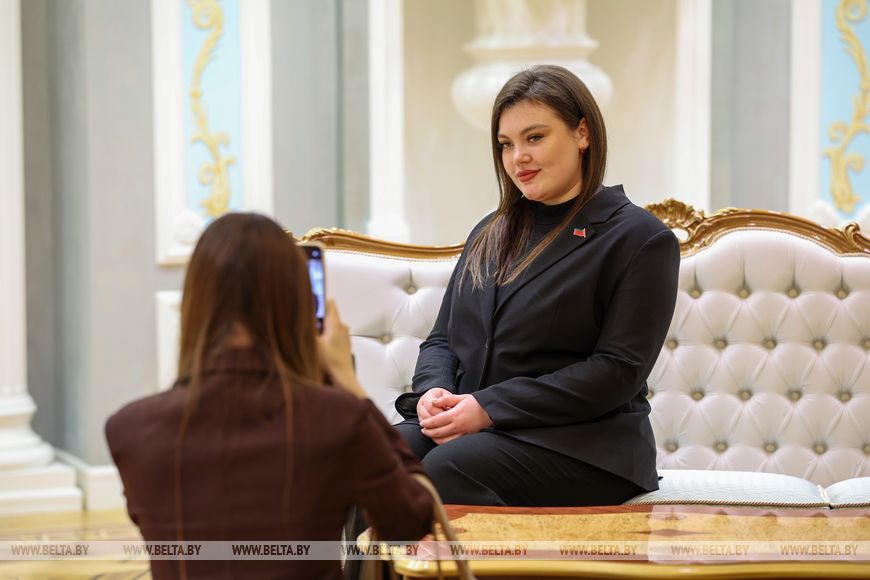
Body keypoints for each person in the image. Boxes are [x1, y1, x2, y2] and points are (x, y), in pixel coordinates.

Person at [394, 65, 680, 507]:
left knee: (448, 468)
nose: (517, 158)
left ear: (582, 133)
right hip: (479, 427)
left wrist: (488, 408)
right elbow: (443, 339)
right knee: (379, 458)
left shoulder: (640, 238)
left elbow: (616, 372)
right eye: (506, 144)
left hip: (583, 445)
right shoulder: (490, 231)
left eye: (534, 138)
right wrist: (435, 392)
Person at [105, 213, 433, 580]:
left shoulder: (130, 431)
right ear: (298, 305)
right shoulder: (338, 420)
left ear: (195, 304)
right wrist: (350, 384)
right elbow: (411, 520)